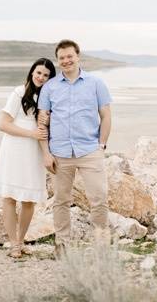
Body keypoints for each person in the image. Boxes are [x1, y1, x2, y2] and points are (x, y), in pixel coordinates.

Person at [37, 39, 112, 258]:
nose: (66, 61)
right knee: (61, 200)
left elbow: (106, 115)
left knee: (99, 199)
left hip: (90, 151)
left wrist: (102, 144)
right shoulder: (50, 87)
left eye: (70, 56)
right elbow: (42, 123)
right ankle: (62, 245)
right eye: (62, 58)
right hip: (60, 154)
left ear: (78, 56)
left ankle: (102, 246)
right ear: (58, 61)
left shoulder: (96, 83)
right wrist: (46, 153)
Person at [0, 58, 56, 258]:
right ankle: (13, 244)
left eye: (45, 75)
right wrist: (31, 134)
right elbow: (4, 124)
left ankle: (21, 239)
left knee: (29, 199)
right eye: (38, 73)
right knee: (9, 197)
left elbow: (46, 127)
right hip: (14, 149)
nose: (41, 77)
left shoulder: (48, 97)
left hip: (34, 152)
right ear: (31, 72)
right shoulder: (19, 93)